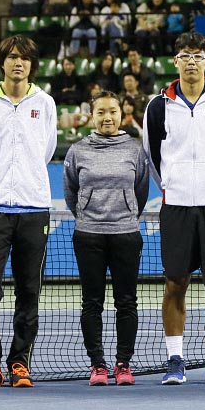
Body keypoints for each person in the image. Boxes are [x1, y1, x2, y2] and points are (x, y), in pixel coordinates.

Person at [143, 32, 205, 385]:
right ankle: (175, 360)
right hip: (177, 207)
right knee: (175, 283)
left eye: (197, 56)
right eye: (184, 55)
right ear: (175, 61)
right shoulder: (157, 106)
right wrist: (171, 187)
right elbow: (152, 157)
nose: (191, 61)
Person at [0, 35, 58, 388]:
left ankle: (20, 362)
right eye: (11, 57)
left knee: (28, 290)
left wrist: (23, 179)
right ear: (1, 63)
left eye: (24, 58)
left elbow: (45, 150)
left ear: (32, 65)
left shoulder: (45, 103)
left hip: (34, 208)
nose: (18, 62)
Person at [63, 91, 150, 387]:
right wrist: (87, 213)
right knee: (92, 303)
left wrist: (125, 213)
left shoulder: (135, 149)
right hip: (88, 236)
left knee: (126, 302)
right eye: (100, 112)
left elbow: (141, 190)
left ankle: (123, 364)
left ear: (122, 114)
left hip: (126, 234)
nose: (107, 118)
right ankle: (98, 365)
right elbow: (70, 192)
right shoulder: (77, 151)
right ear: (92, 115)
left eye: (112, 111)